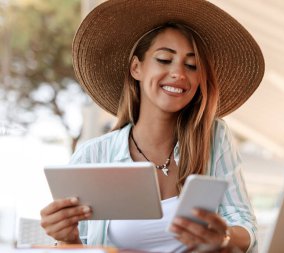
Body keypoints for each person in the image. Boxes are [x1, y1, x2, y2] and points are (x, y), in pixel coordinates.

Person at [40, 0, 264, 252]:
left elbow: (246, 226)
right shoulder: (93, 156)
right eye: (164, 59)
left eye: (191, 65)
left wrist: (223, 238)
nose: (179, 73)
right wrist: (68, 239)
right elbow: (80, 247)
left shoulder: (213, 137)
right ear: (136, 68)